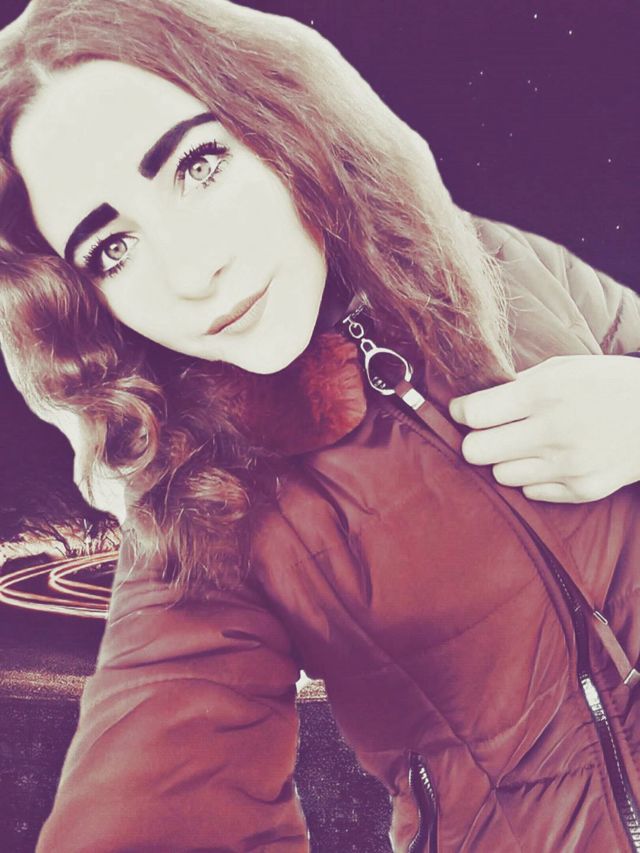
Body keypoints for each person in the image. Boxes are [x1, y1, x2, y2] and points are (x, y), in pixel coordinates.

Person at [1, 0, 640, 850]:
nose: (192, 272)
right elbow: (151, 796)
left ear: (282, 121)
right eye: (111, 249)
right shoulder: (202, 512)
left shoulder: (508, 265)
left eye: (198, 164)